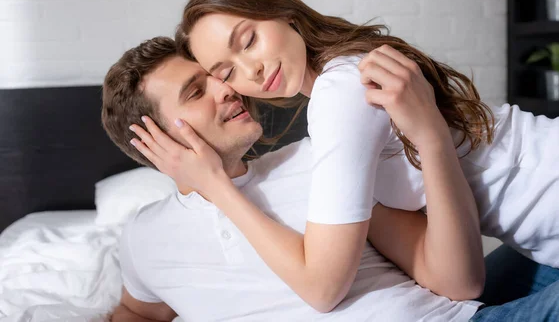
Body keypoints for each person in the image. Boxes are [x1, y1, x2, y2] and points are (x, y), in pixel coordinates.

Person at [132, 0, 559, 318]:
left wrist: (218, 187)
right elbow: (460, 282)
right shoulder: (336, 91)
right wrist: (433, 138)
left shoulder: (339, 95)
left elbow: (321, 286)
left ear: (281, 12)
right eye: (227, 71)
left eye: (248, 40)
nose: (249, 73)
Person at [101, 37, 482, 321]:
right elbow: (139, 314)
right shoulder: (144, 236)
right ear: (157, 141)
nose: (227, 87)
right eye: (197, 92)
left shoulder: (316, 161)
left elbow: (450, 279)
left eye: (214, 77)